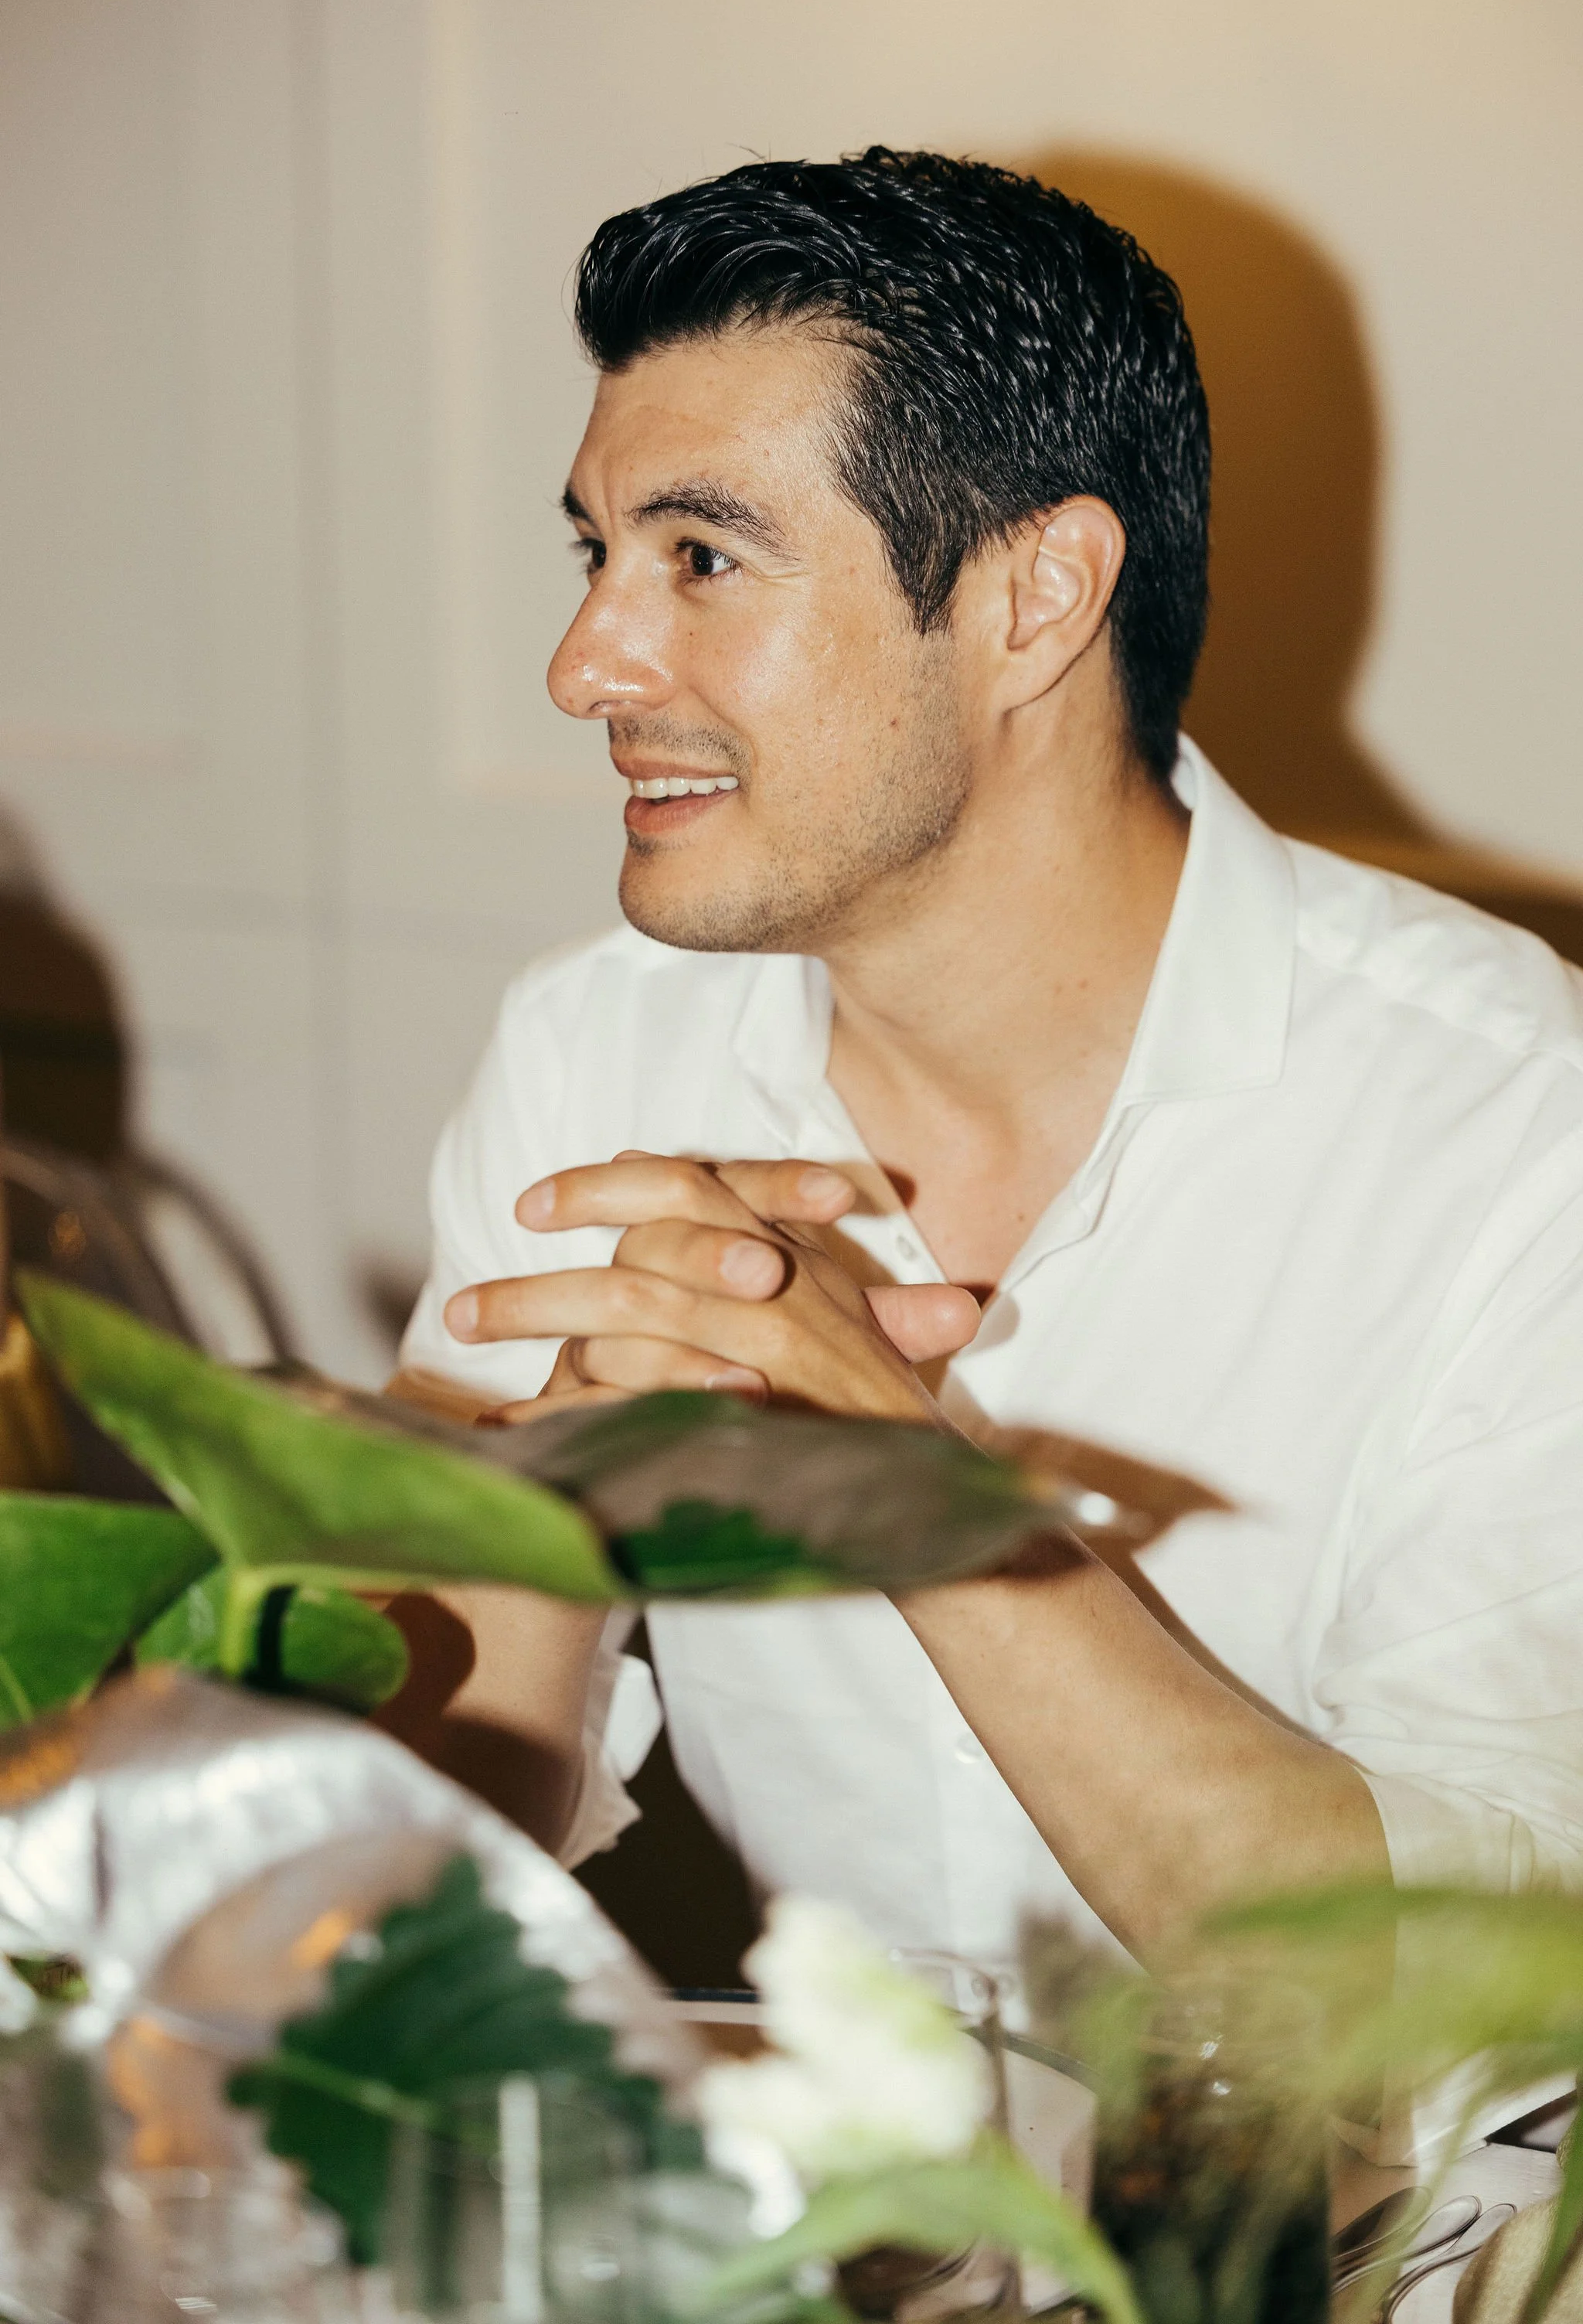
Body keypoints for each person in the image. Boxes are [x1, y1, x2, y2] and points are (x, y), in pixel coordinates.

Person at [397, 149, 1583, 1971]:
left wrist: (917, 1490)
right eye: (597, 553)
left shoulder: (1518, 1136)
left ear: (1037, 598)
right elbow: (386, 1877)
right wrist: (542, 1501)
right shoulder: (591, 1048)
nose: (585, 665)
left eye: (701, 557)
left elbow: (1483, 2008)